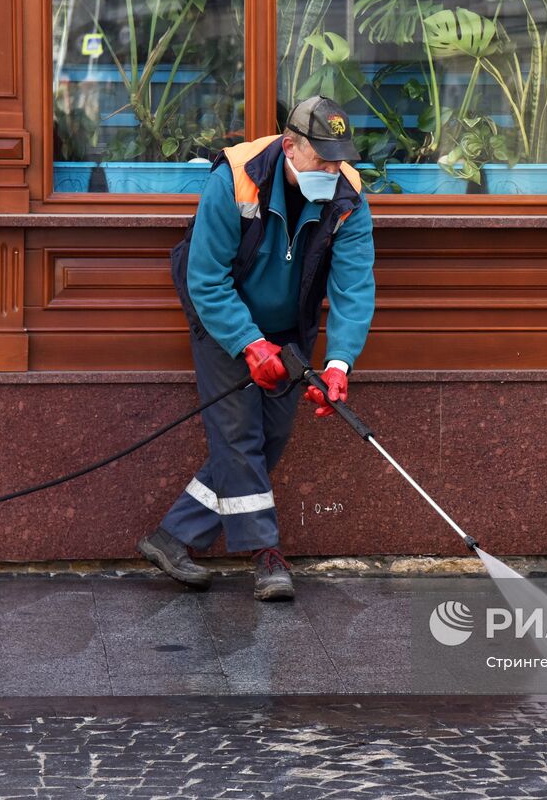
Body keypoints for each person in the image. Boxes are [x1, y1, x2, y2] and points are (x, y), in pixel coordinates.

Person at [137, 96, 375, 601]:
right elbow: (206, 278)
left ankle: (172, 536)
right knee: (240, 436)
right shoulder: (235, 178)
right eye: (322, 160)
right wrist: (248, 342)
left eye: (340, 159)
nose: (333, 170)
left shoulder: (348, 196)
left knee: (271, 437)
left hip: (290, 328)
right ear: (290, 146)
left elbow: (355, 287)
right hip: (224, 319)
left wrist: (338, 363)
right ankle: (266, 556)